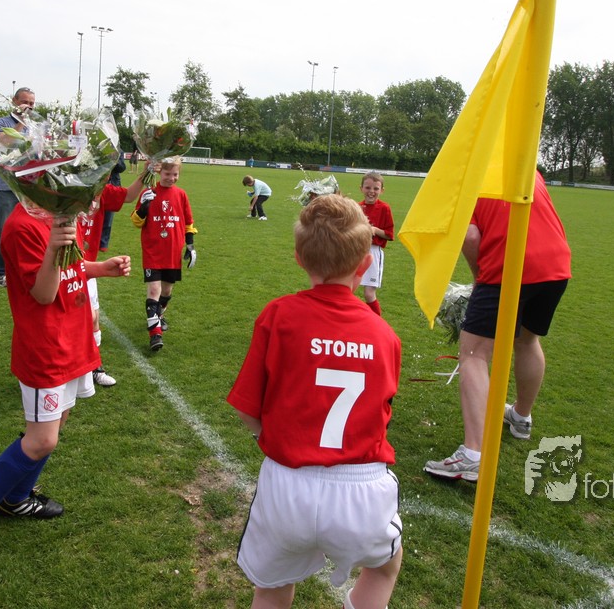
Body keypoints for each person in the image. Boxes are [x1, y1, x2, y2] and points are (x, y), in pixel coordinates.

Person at [227, 194, 403, 609]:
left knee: (271, 590)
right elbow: (381, 410)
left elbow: (246, 407)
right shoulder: (384, 334)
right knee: (384, 568)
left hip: (288, 483)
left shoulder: (279, 315)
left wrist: (273, 437)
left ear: (299, 259)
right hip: (361, 487)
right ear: (365, 264)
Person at [0, 205, 132, 577]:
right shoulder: (21, 226)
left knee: (55, 428)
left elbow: (71, 269)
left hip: (74, 339)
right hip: (46, 347)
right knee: (42, 440)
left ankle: (15, 499)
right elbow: (43, 294)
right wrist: (55, 246)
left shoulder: (62, 212)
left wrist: (99, 268)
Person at [425, 170, 571, 482]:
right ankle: (521, 417)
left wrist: (480, 280)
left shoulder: (473, 175)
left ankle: (473, 454)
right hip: (556, 266)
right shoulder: (525, 164)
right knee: (527, 340)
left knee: (473, 354)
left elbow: (470, 236)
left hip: (508, 266)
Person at [78, 166, 146, 386]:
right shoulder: (70, 190)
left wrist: (147, 170)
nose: (106, 175)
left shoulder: (104, 191)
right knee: (79, 319)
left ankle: (94, 368)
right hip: (66, 266)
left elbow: (129, 195)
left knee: (94, 318)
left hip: (88, 265)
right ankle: (75, 367)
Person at [131, 157, 197, 352]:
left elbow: (188, 222)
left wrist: (190, 246)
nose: (171, 178)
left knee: (166, 291)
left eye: (175, 174)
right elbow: (136, 222)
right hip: (152, 251)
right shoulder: (149, 192)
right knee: (154, 290)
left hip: (173, 252)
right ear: (160, 172)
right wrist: (144, 207)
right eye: (168, 174)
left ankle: (158, 316)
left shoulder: (181, 194)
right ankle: (155, 334)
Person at [0, 87, 36, 285]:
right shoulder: (1, 122)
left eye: (32, 103)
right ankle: (3, 272)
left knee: (30, 230)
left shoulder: (36, 125)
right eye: (24, 102)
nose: (28, 106)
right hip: (7, 186)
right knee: (4, 231)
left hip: (31, 187)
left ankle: (27, 270)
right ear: (14, 101)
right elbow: (5, 143)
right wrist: (21, 122)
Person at [358, 171, 394, 316]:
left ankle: (377, 323)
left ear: (382, 190)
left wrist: (374, 230)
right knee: (346, 289)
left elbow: (389, 234)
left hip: (373, 252)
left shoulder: (384, 208)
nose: (371, 191)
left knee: (369, 293)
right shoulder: (357, 207)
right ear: (361, 188)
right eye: (367, 187)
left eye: (376, 188)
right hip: (356, 250)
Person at [97, 157, 127, 252]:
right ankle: (90, 241)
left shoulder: (118, 150)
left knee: (108, 217)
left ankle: (103, 243)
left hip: (113, 184)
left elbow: (122, 167)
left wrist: (113, 160)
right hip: (96, 184)